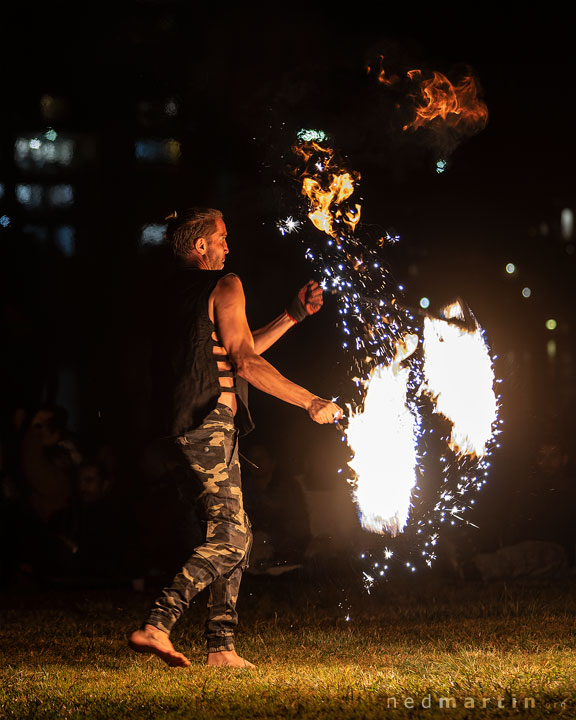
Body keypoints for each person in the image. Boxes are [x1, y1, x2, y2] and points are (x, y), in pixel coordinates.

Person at [129, 207, 343, 668]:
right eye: (221, 237)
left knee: (234, 530)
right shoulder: (227, 284)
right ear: (199, 245)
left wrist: (291, 315)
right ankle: (157, 624)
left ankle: (221, 647)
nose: (229, 245)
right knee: (230, 535)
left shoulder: (176, 292)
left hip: (188, 425)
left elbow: (234, 348)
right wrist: (310, 401)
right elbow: (245, 363)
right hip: (209, 425)